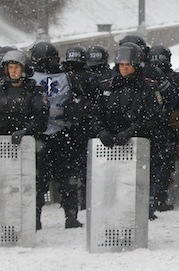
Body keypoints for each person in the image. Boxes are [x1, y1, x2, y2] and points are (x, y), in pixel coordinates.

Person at [91, 43, 162, 219]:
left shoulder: (147, 89)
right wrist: (102, 132)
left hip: (139, 144)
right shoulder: (108, 87)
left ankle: (144, 212)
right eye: (122, 65)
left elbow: (153, 118)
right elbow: (96, 114)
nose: (124, 68)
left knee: (138, 184)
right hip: (112, 144)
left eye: (128, 65)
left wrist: (131, 132)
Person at [30, 41, 91, 229]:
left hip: (41, 136)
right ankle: (70, 217)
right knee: (66, 180)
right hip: (62, 135)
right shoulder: (68, 77)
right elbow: (81, 103)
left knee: (39, 181)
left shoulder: (31, 78)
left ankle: (36, 219)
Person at [1, 52, 49, 230]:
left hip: (29, 145)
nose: (13, 72)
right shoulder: (1, 89)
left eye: (16, 67)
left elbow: (41, 118)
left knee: (33, 184)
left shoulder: (35, 90)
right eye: (10, 68)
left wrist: (26, 130)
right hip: (3, 145)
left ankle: (33, 219)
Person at [60, 45, 100, 211]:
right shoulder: (92, 78)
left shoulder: (63, 77)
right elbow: (97, 102)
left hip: (67, 128)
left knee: (68, 170)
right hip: (85, 128)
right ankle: (85, 201)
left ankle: (69, 204)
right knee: (86, 168)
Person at [148, 45, 179, 212]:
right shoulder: (171, 78)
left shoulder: (145, 75)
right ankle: (159, 198)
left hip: (151, 127)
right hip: (166, 127)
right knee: (164, 165)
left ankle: (152, 198)